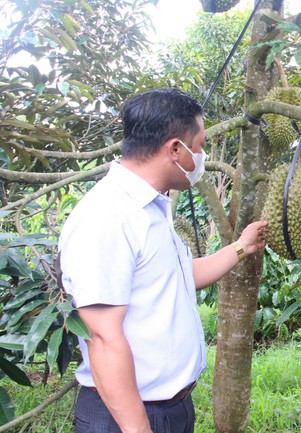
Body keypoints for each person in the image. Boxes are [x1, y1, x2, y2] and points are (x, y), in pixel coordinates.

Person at [58, 89, 267, 433]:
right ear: (174, 149)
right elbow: (103, 336)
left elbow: (179, 277)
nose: (199, 156)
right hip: (127, 417)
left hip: (171, 409)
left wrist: (242, 247)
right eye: (198, 147)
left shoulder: (152, 208)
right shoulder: (108, 215)